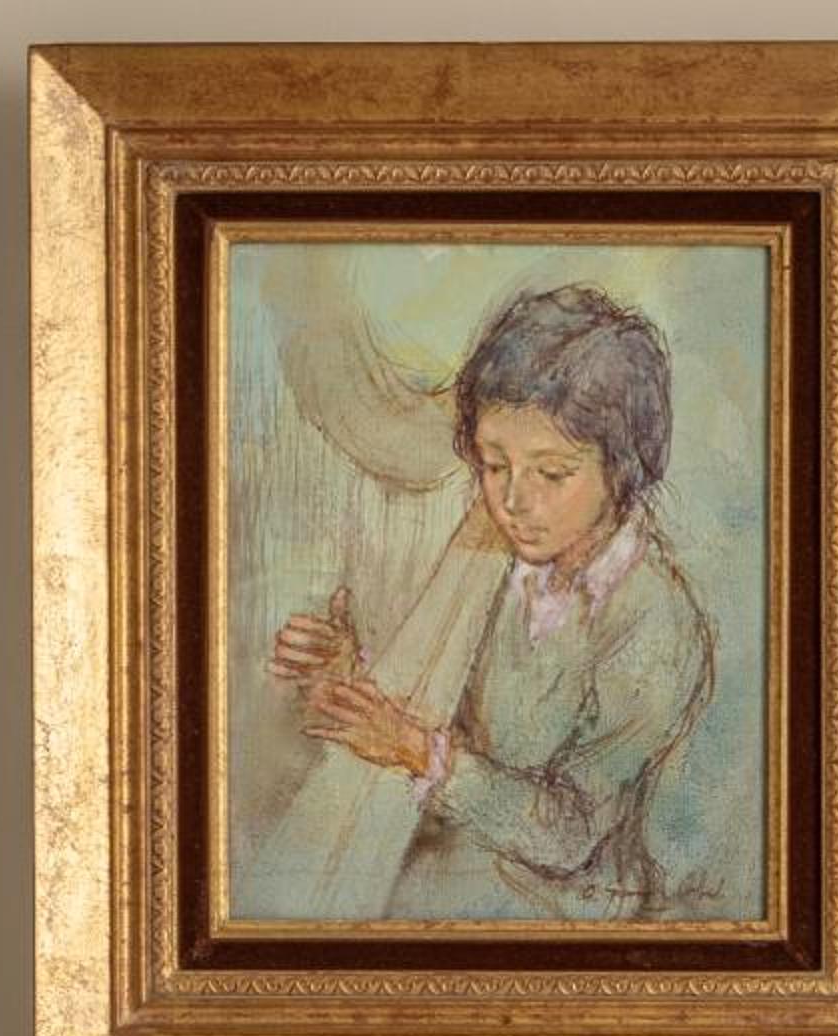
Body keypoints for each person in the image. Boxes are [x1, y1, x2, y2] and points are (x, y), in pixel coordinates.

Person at [269, 285, 714, 922]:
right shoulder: (497, 556)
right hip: (456, 866)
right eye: (493, 465)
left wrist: (417, 751)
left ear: (623, 468)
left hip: (565, 912)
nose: (511, 502)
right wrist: (346, 676)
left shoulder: (657, 623)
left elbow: (568, 834)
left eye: (551, 473)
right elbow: (440, 708)